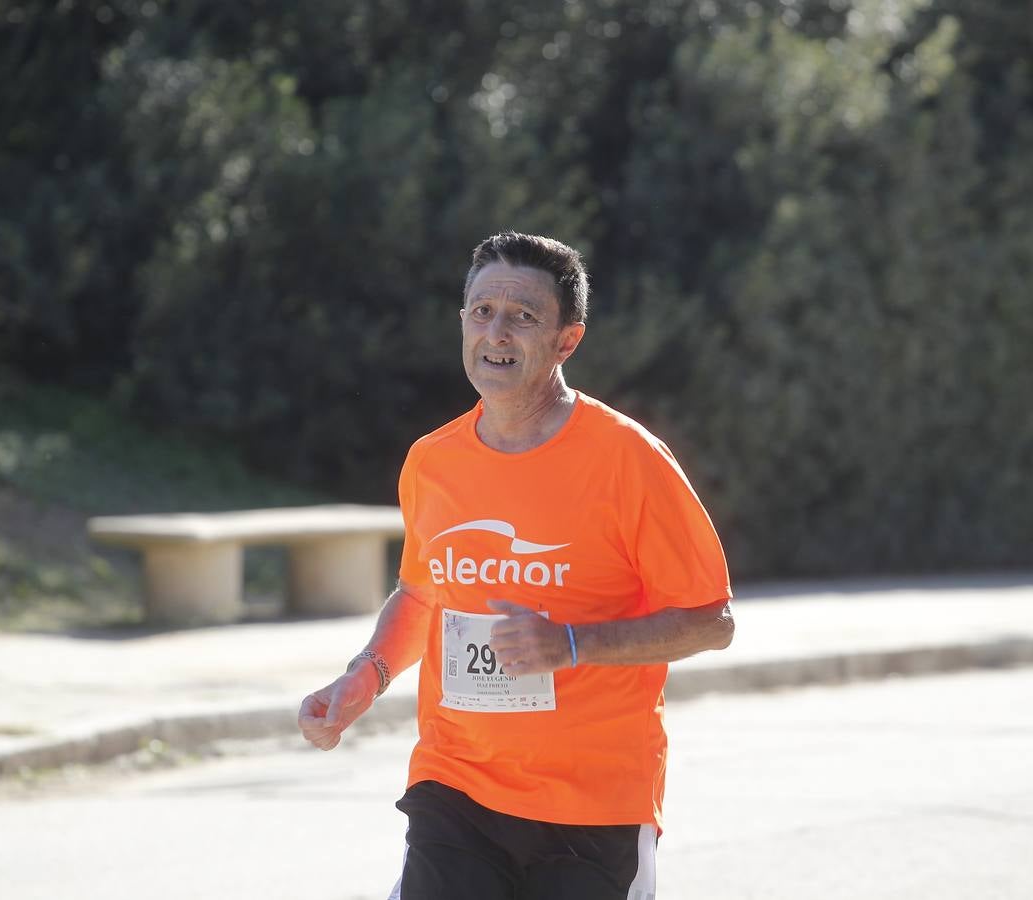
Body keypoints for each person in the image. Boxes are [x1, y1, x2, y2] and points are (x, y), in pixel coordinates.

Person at [298, 232, 733, 900]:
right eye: (481, 311)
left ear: (567, 341)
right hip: (458, 783)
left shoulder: (628, 459)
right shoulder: (432, 461)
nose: (495, 332)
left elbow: (711, 621)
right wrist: (367, 676)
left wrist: (571, 644)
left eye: (523, 317)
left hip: (595, 806)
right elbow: (421, 596)